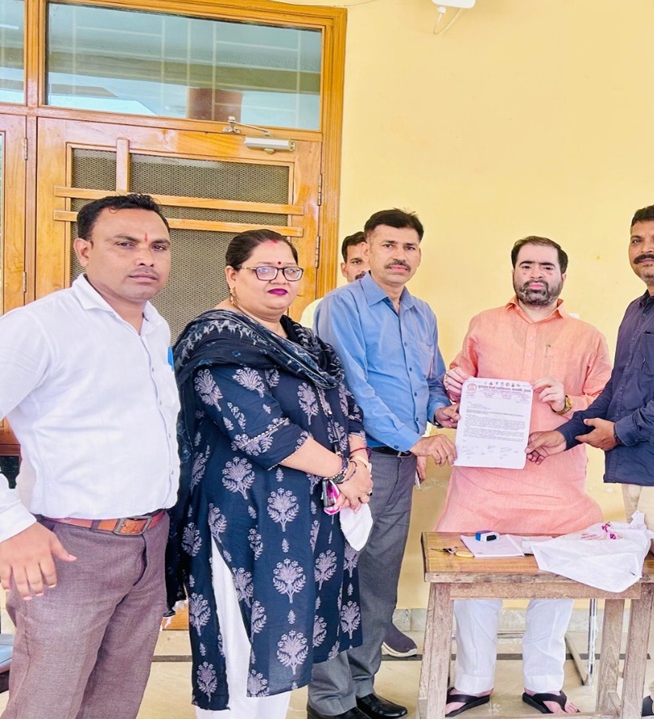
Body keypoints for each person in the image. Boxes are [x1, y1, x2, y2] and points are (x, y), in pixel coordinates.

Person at [527, 205, 654, 719]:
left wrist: (620, 432)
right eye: (638, 240)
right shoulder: (637, 310)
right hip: (636, 470)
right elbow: (616, 390)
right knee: (653, 594)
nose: (647, 249)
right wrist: (565, 435)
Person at [168, 229, 374, 717]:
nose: (278, 278)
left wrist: (360, 462)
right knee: (240, 646)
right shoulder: (215, 340)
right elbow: (262, 430)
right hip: (241, 518)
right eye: (263, 269)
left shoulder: (304, 341)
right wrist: (344, 472)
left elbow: (347, 408)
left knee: (285, 637)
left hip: (305, 518)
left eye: (288, 269)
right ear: (232, 275)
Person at [0, 194, 177, 719]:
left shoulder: (155, 327)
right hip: (69, 548)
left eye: (158, 246)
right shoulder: (39, 327)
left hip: (148, 541)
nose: (145, 257)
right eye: (125, 244)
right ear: (84, 250)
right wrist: (10, 526)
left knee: (116, 700)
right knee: (47, 703)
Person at [439, 235, 612, 716]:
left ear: (562, 276)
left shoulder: (588, 337)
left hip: (555, 483)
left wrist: (569, 401)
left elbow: (608, 403)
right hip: (483, 480)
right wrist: (454, 389)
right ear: (514, 272)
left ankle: (544, 683)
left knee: (557, 581)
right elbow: (458, 384)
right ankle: (472, 682)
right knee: (473, 580)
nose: (536, 274)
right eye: (526, 265)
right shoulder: (483, 324)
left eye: (546, 266)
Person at [310, 209, 455, 719]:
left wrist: (441, 410)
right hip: (354, 463)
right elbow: (350, 388)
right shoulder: (341, 307)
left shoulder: (422, 313)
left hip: (400, 468)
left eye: (409, 247)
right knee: (339, 581)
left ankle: (361, 686)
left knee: (378, 582)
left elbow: (431, 381)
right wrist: (415, 439)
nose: (399, 255)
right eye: (389, 245)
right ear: (367, 250)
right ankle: (330, 701)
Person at [300, 231, 368, 329]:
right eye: (357, 262)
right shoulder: (317, 309)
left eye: (372, 262)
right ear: (344, 269)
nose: (365, 269)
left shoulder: (391, 310)